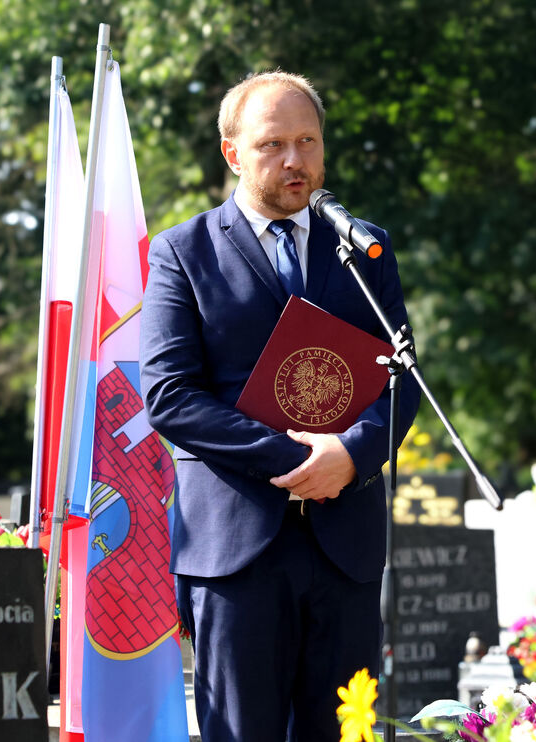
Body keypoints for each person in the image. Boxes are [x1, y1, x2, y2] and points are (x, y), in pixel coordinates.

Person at [139, 71, 419, 741]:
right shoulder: (183, 251)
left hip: (344, 545)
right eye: (272, 145)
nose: (295, 160)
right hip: (237, 550)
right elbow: (170, 396)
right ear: (233, 153)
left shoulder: (363, 248)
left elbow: (404, 378)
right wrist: (300, 460)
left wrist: (351, 456)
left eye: (308, 141)